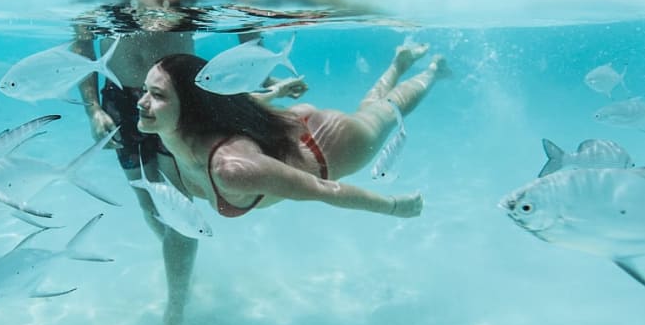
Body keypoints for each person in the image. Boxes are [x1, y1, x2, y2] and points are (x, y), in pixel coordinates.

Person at [72, 0, 307, 325]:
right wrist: (93, 109)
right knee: (149, 207)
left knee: (179, 214)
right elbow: (82, 43)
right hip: (120, 99)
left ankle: (175, 314)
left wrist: (262, 73)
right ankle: (180, 273)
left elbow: (244, 23)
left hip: (179, 100)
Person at [137, 43, 449, 221]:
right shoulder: (179, 133)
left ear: (190, 108)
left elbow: (323, 189)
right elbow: (225, 104)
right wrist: (275, 93)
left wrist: (394, 206)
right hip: (291, 127)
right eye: (145, 90)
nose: (141, 102)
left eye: (158, 94)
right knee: (370, 111)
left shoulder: (231, 170)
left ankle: (433, 70)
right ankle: (399, 62)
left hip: (331, 145)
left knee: (388, 111)